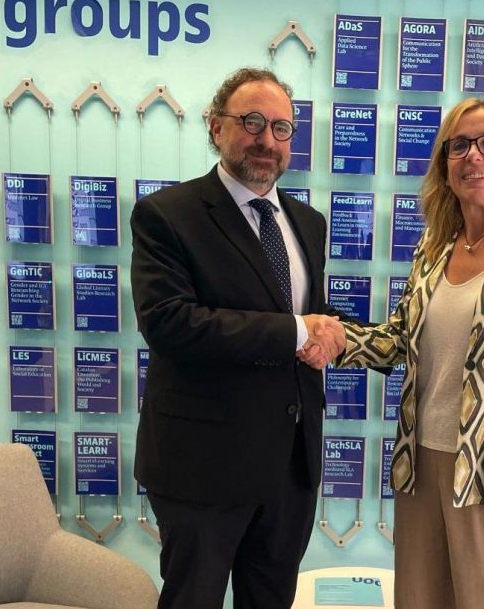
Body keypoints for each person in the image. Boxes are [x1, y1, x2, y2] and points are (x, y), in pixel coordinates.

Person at [304, 97, 484, 609]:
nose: (473, 155)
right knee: (419, 599)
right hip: (422, 465)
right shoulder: (434, 247)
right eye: (458, 146)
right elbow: (400, 338)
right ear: (444, 166)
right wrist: (339, 338)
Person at [130, 67, 345, 609]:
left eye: (281, 127)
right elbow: (170, 322)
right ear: (216, 127)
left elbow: (303, 311)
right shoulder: (167, 215)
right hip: (201, 467)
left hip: (289, 467)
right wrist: (300, 330)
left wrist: (335, 334)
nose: (267, 140)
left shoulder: (309, 222)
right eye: (252, 122)